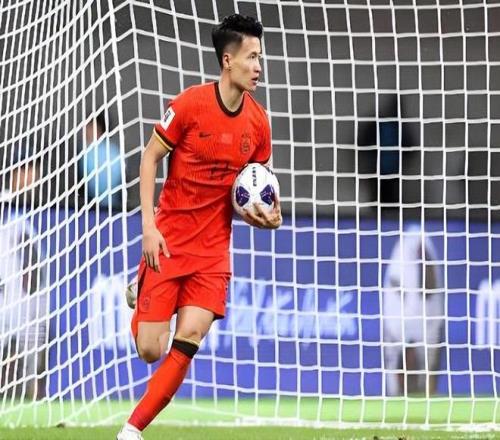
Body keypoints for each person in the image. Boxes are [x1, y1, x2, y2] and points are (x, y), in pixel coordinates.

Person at [117, 14, 282, 440]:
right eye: (252, 57)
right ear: (228, 60)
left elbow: (256, 187)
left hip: (212, 252)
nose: (259, 67)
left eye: (260, 58)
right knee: (150, 349)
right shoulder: (190, 105)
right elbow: (150, 158)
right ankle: (141, 286)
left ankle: (132, 429)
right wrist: (148, 226)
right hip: (168, 242)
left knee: (190, 335)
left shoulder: (259, 123)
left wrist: (270, 216)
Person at [0, 146, 48, 400]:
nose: (32, 174)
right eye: (27, 169)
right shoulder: (6, 206)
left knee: (34, 361)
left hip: (30, 301)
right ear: (15, 173)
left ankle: (33, 397)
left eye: (34, 168)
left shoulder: (36, 209)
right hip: (8, 299)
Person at [382, 225, 444, 396]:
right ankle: (400, 392)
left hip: (424, 319)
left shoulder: (431, 327)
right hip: (404, 316)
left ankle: (424, 391)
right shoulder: (395, 326)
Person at [79, 112, 124, 210]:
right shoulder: (115, 151)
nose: (86, 130)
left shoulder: (112, 153)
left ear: (99, 129)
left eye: (90, 127)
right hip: (104, 207)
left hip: (107, 208)